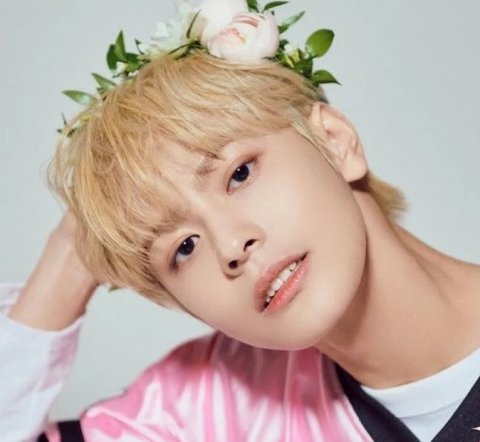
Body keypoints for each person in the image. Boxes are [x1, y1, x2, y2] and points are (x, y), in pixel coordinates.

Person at [1, 0, 480, 441]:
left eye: (239, 174)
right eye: (184, 248)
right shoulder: (209, 408)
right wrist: (73, 251)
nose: (231, 245)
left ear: (334, 141)